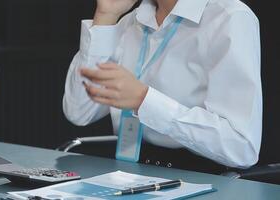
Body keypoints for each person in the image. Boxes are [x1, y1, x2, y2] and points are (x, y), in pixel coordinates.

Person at [63, 0, 262, 173]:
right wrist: (106, 15)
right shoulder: (132, 20)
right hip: (128, 171)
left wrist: (144, 100)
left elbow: (241, 147)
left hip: (203, 176)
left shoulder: (229, 18)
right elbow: (79, 112)